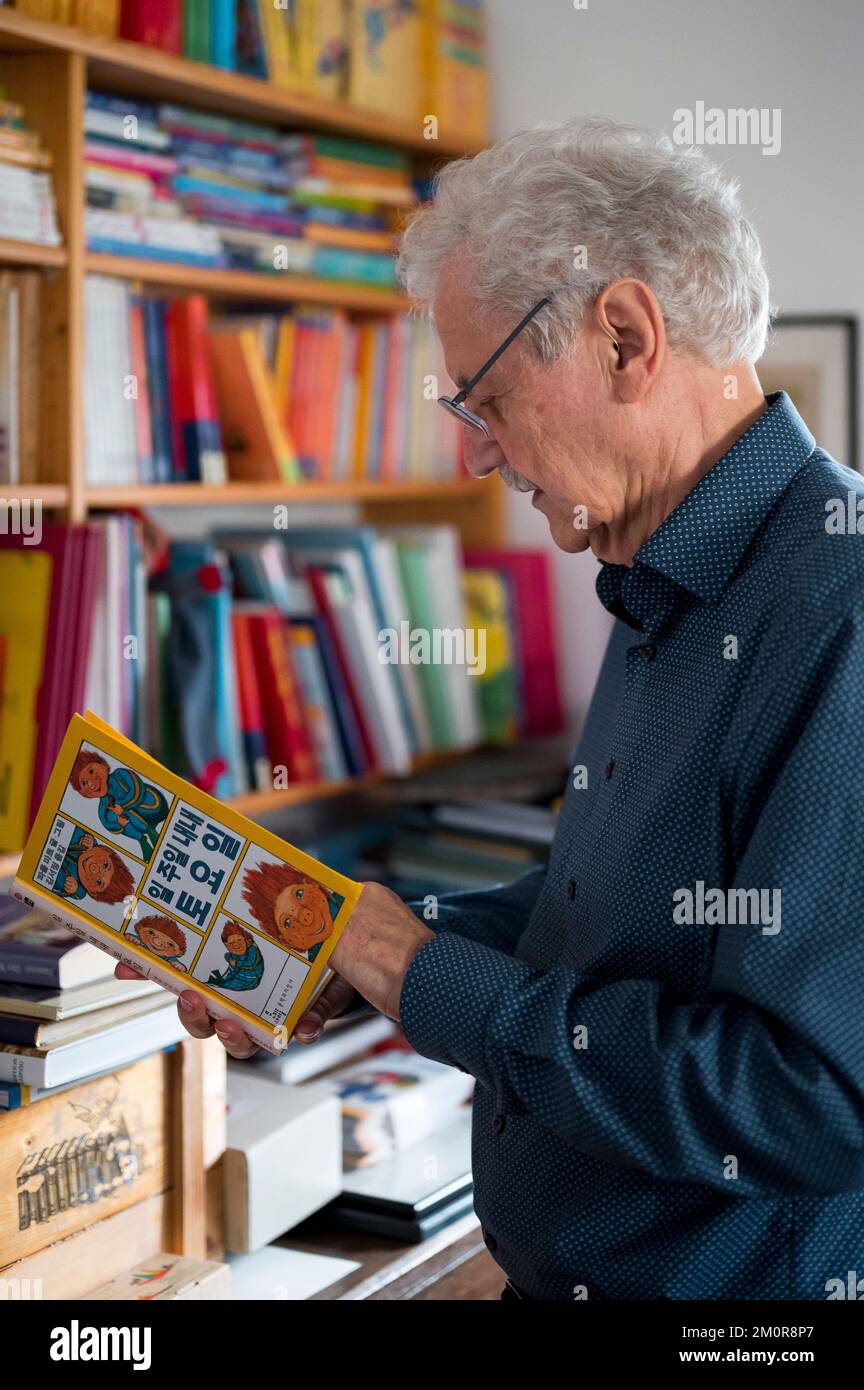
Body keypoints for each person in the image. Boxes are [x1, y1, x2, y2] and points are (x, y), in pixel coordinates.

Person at [125, 117, 864, 1301]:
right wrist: (344, 947)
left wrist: (428, 977)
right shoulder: (661, 568)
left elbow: (809, 1099)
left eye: (484, 399)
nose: (476, 456)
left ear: (626, 336)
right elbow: (606, 922)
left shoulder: (841, 606)